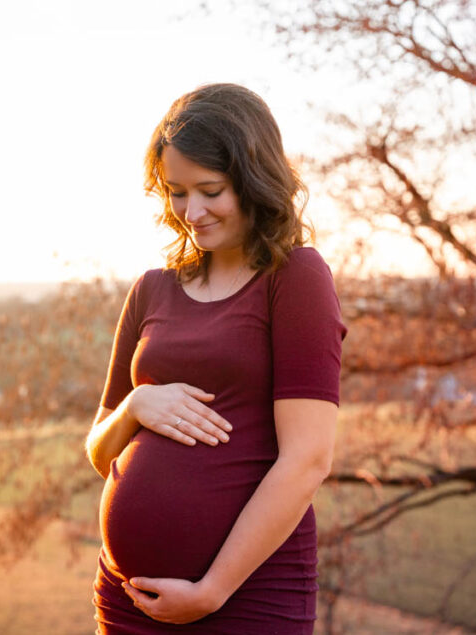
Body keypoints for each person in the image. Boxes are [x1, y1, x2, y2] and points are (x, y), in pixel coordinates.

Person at [85, 83, 347, 634]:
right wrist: (136, 405)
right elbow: (98, 450)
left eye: (210, 190)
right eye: (176, 192)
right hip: (128, 602)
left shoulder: (294, 279)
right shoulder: (151, 290)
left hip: (246, 599)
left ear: (254, 181)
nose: (192, 212)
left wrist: (211, 591)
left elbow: (307, 459)